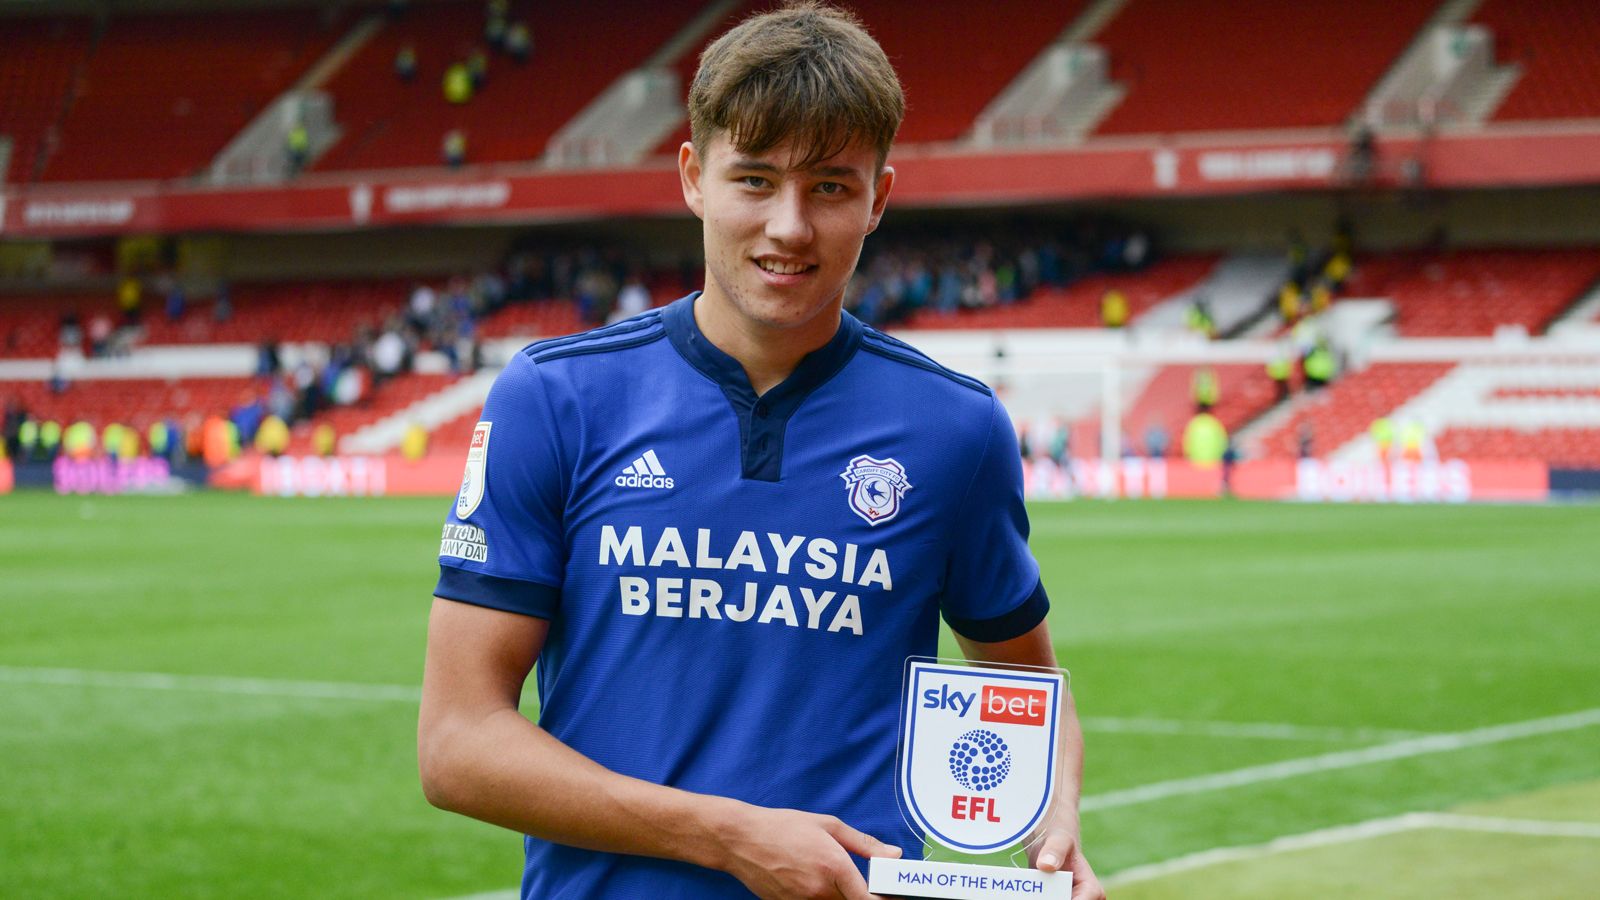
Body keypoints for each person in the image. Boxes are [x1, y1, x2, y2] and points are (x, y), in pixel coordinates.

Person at [417, 6, 1104, 900]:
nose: (789, 227)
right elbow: (457, 745)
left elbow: (1029, 689)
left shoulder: (954, 428)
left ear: (878, 199)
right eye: (754, 180)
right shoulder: (557, 398)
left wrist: (1055, 819)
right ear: (693, 177)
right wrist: (726, 836)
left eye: (830, 187)